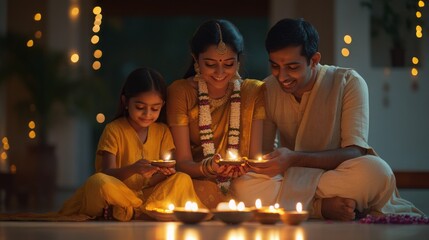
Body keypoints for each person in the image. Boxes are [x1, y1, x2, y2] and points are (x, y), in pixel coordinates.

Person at [232, 18, 424, 221]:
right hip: (297, 177)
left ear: (314, 60)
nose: (282, 76)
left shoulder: (349, 82)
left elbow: (355, 151)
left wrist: (294, 158)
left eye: (292, 67)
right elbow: (265, 155)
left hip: (335, 175)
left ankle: (302, 204)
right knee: (244, 184)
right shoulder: (268, 88)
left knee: (376, 172)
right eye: (275, 66)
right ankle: (319, 207)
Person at [58, 67, 205, 221]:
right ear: (125, 102)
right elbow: (106, 173)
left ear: (162, 105)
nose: (147, 114)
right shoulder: (114, 129)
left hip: (148, 194)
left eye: (155, 108)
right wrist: (134, 169)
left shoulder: (162, 131)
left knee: (182, 178)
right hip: (120, 192)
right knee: (98, 183)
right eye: (140, 107)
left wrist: (164, 174)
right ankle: (143, 211)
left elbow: (161, 176)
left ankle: (131, 211)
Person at [167, 19, 265, 209]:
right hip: (195, 181)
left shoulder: (252, 92)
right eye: (210, 64)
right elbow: (182, 163)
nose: (220, 72)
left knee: (262, 187)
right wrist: (208, 168)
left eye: (228, 64)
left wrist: (243, 168)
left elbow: (255, 160)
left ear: (238, 60)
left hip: (243, 182)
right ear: (196, 59)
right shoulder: (181, 92)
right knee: (178, 187)